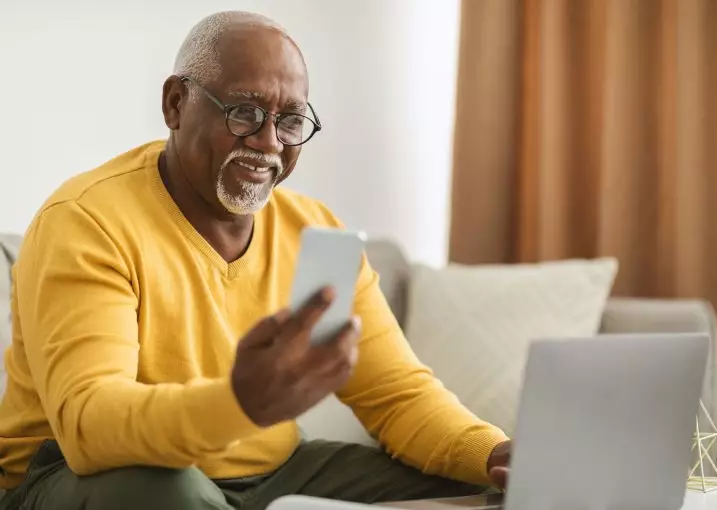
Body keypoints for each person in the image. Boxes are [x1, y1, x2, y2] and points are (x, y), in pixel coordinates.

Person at [0, 11, 511, 510]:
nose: (269, 143)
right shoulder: (88, 220)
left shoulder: (315, 232)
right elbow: (92, 427)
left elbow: (398, 395)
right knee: (168, 493)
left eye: (289, 120)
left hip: (274, 471)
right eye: (244, 112)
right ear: (176, 103)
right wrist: (238, 403)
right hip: (76, 476)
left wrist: (495, 454)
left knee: (463, 491)